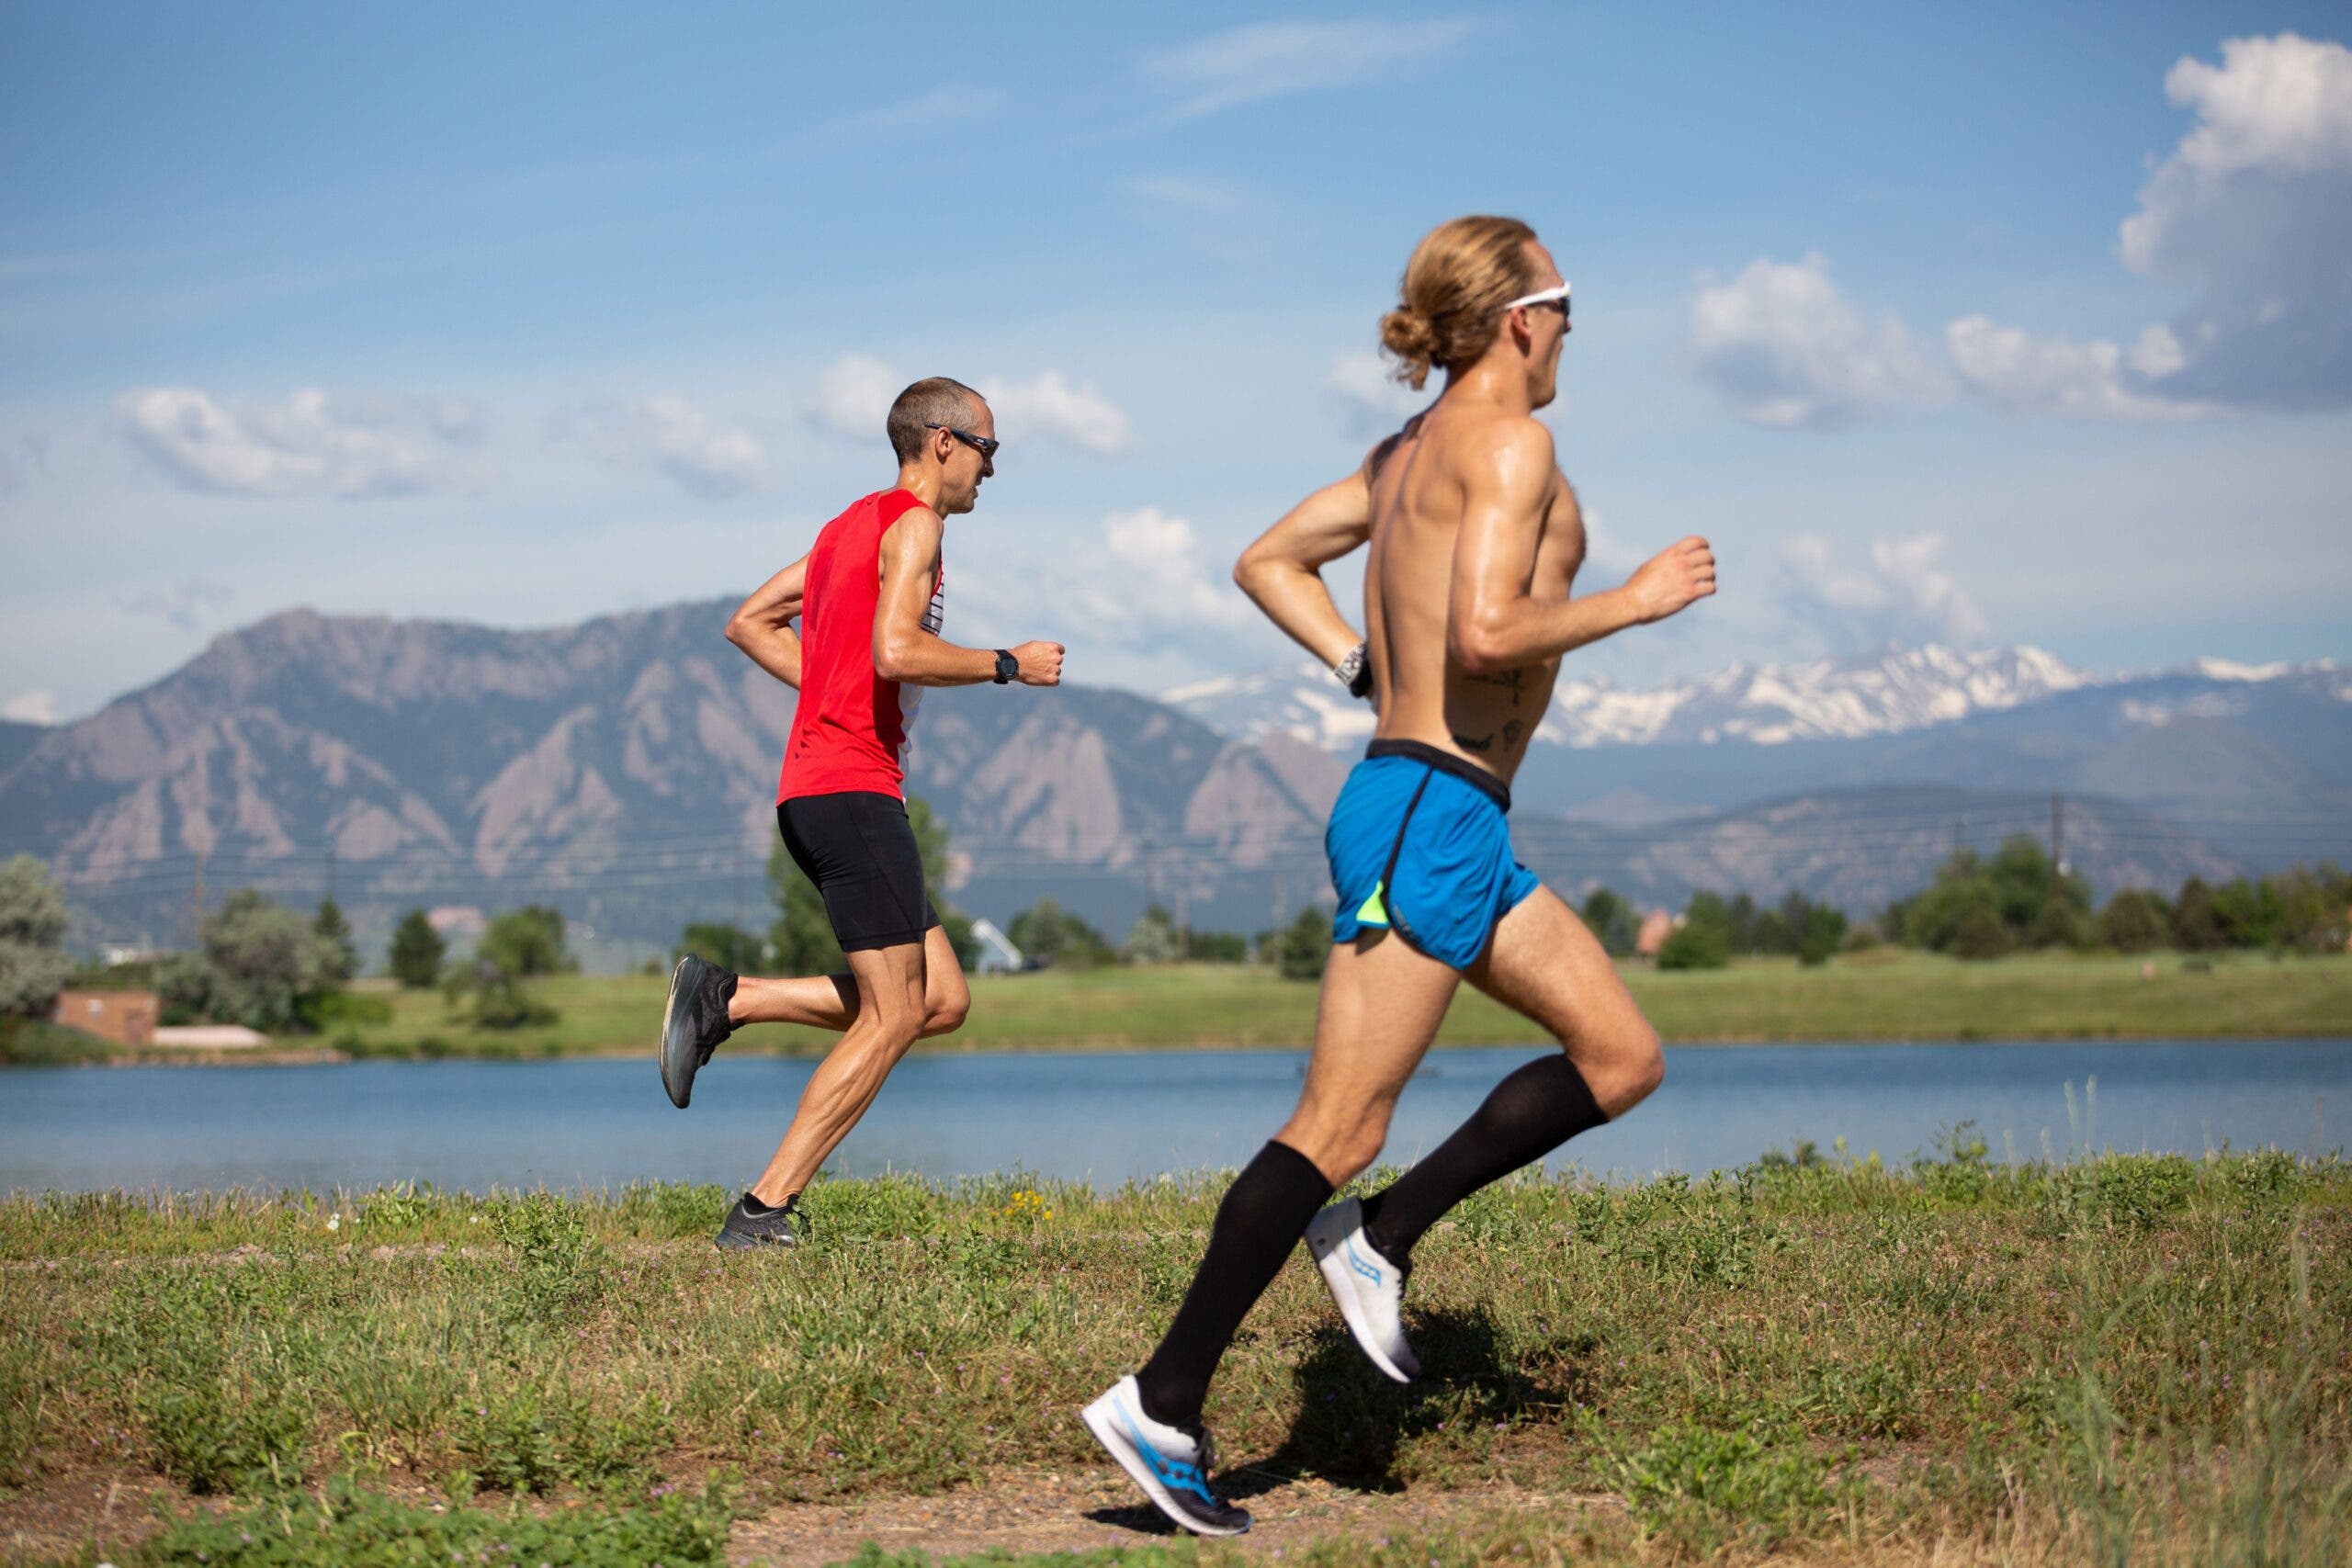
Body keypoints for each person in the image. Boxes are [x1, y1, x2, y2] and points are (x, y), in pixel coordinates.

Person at [1082, 216, 1716, 1535]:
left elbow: (1267, 559)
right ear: (1520, 317)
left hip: (1451, 812)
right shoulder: (1506, 442)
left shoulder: (1403, 453)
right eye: (1567, 307)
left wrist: (1357, 658)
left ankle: (1380, 1235)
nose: (1572, 335)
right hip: (1425, 807)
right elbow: (1487, 635)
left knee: (1620, 1055)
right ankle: (1163, 1395)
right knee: (1335, 1122)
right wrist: (1635, 601)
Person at [658, 376, 1064, 1250]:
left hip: (818, 790)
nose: (994, 470)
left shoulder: (848, 527)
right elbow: (895, 647)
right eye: (991, 448)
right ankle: (764, 1209)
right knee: (892, 1015)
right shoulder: (916, 526)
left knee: (940, 999)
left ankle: (729, 999)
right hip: (852, 792)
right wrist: (1008, 663)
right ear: (944, 442)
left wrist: (834, 688)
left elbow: (750, 622)